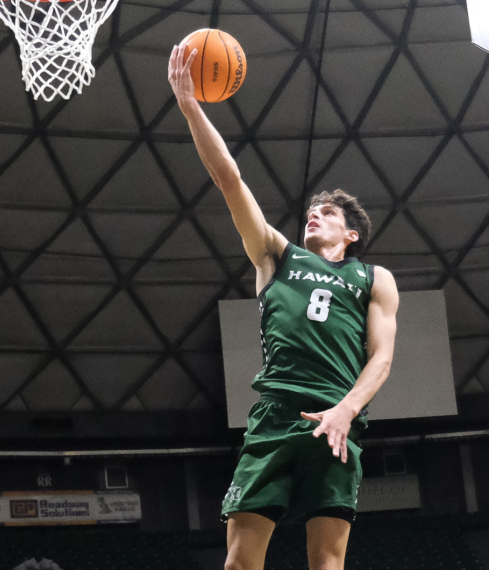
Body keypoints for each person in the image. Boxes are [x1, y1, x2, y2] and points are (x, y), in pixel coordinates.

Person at [167, 44, 399, 570]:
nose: (314, 215)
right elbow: (230, 179)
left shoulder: (373, 278)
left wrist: (346, 409)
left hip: (337, 417)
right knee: (240, 563)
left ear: (353, 233)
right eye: (312, 211)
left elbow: (381, 358)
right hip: (276, 413)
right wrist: (190, 106)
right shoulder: (276, 254)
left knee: (328, 563)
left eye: (329, 212)